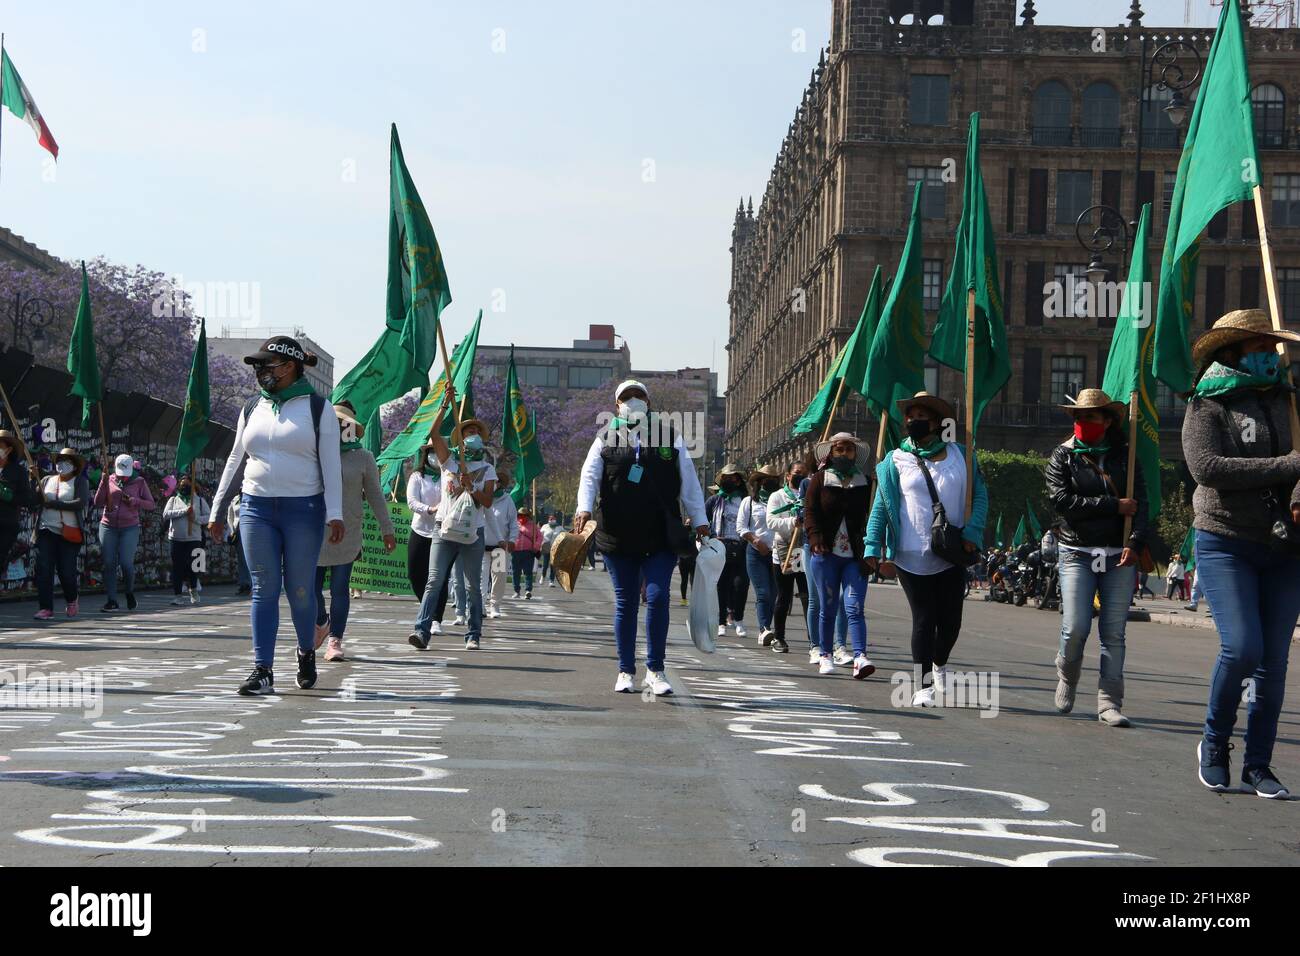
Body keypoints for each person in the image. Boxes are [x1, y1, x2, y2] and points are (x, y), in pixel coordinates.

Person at [1183, 309, 1300, 797]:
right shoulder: (1205, 406)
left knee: (1274, 661)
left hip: (1285, 547)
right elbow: (1208, 468)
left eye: (1274, 348)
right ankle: (1214, 743)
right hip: (1225, 541)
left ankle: (1259, 764)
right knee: (1243, 647)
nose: (1271, 356)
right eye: (1260, 348)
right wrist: (1286, 465)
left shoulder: (1289, 402)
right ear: (1232, 353)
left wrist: (1296, 495)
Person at [210, 335, 344, 696]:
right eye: (257, 367)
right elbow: (236, 458)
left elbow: (331, 465)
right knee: (263, 588)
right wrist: (218, 506)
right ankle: (262, 670)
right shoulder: (253, 406)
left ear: (289, 367)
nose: (260, 372)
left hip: (304, 509)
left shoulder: (318, 409)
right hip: (256, 507)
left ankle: (305, 650)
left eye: (266, 366)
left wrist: (335, 514)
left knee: (300, 590)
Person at [575, 379, 707, 695]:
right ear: (617, 403)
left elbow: (688, 482)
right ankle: (625, 670)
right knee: (627, 602)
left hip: (661, 534)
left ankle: (656, 670)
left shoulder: (670, 437)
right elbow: (590, 475)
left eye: (639, 396)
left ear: (648, 402)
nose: (633, 401)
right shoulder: (604, 437)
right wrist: (584, 508)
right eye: (627, 397)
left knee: (659, 597)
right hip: (618, 534)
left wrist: (700, 519)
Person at [866, 392, 988, 704]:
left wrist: (973, 531)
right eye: (910, 416)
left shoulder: (962, 455)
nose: (913, 421)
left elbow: (981, 497)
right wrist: (872, 544)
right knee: (923, 618)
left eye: (921, 417)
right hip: (910, 553)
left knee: (950, 622)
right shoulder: (894, 461)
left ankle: (940, 662)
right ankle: (923, 685)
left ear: (935, 422)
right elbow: (882, 506)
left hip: (951, 551)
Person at [1046, 388, 1149, 728]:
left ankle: (1109, 702)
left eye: (1089, 416)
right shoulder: (1062, 456)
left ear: (1107, 420)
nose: (1082, 422)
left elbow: (1142, 503)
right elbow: (1061, 501)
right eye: (1077, 417)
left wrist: (1134, 541)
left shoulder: (1126, 457)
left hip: (1117, 554)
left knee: (1114, 632)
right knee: (1075, 626)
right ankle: (1067, 673)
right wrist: (1111, 506)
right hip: (1077, 551)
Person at [408, 393, 496, 652]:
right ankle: (421, 631)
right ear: (460, 437)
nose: (472, 435)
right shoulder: (449, 461)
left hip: (473, 533)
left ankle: (473, 633)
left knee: (472, 586)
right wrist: (444, 405)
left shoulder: (488, 469)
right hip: (443, 529)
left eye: (475, 432)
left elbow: (487, 502)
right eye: (467, 431)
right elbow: (433, 434)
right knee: (434, 580)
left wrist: (471, 488)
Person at [316, 403, 395, 662]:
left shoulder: (363, 457)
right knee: (310, 587)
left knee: (340, 588)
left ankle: (335, 640)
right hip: (314, 529)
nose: (339, 427)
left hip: (347, 531)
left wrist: (387, 529)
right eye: (334, 422)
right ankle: (321, 620)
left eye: (343, 423)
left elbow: (375, 495)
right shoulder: (313, 452)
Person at [807, 431, 876, 679]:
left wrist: (874, 548)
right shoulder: (819, 479)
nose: (844, 453)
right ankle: (825, 654)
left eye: (848, 449)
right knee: (828, 606)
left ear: (855, 454)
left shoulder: (866, 482)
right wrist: (815, 539)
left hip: (855, 556)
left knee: (854, 606)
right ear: (831, 453)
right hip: (825, 554)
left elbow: (874, 515)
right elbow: (811, 513)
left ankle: (860, 656)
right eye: (839, 449)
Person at [92, 453, 156, 612]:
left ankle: (129, 591)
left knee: (126, 563)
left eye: (126, 475)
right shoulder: (109, 479)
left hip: (129, 527)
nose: (124, 478)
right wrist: (102, 481)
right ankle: (112, 600)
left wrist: (136, 502)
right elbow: (97, 502)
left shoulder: (139, 482)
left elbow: (151, 504)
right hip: (108, 526)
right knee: (109, 563)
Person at [34, 448, 90, 620]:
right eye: (59, 461)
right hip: (46, 529)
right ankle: (46, 608)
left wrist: (55, 504)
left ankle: (72, 599)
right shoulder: (47, 480)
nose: (61, 465)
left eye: (67, 461)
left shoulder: (79, 482)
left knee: (66, 571)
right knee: (44, 569)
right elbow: (37, 498)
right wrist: (34, 478)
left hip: (69, 533)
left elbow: (80, 503)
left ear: (74, 466)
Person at [765, 459, 810, 655]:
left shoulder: (809, 493)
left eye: (803, 472)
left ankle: (814, 640)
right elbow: (771, 522)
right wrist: (793, 521)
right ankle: (779, 637)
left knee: (808, 597)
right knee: (784, 596)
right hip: (785, 548)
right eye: (797, 472)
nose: (800, 476)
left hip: (805, 549)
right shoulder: (777, 496)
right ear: (788, 475)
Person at [406, 442, 450, 635]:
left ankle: (435, 618)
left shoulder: (449, 475)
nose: (435, 456)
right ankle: (427, 606)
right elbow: (412, 501)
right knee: (415, 574)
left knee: (439, 577)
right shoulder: (418, 476)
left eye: (437, 452)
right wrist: (429, 509)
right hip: (420, 531)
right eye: (432, 452)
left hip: (442, 533)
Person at [738, 463, 781, 646]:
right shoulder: (748, 502)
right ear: (758, 482)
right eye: (765, 479)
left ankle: (768, 627)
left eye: (772, 479)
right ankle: (764, 629)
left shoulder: (781, 500)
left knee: (774, 594)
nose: (768, 482)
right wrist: (755, 540)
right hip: (756, 553)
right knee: (763, 593)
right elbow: (741, 527)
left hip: (778, 553)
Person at [707, 462, 750, 638]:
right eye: (725, 478)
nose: (729, 480)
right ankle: (721, 622)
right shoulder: (715, 500)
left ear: (739, 481)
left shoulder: (746, 500)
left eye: (732, 477)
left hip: (741, 546)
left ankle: (738, 619)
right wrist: (711, 535)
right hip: (720, 546)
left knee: (740, 585)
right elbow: (702, 520)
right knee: (721, 585)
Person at [162, 476, 211, 605]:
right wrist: (184, 511)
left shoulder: (199, 501)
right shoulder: (173, 500)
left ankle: (193, 588)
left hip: (194, 538)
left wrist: (195, 518)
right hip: (176, 538)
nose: (184, 486)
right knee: (177, 567)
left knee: (193, 566)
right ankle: (177, 595)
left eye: (187, 484)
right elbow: (166, 514)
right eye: (182, 484)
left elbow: (208, 517)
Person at [0, 430, 37, 572]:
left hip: (6, 524)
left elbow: (28, 499)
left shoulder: (18, 471)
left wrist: (8, 496)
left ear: (8, 450)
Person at [484, 471, 517, 617]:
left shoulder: (507, 500)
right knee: (481, 579)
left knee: (498, 578)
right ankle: (479, 605)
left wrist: (512, 541)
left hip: (500, 548)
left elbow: (513, 524)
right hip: (481, 547)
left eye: (496, 481)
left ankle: (495, 606)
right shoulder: (481, 498)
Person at [513, 505, 543, 598]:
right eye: (520, 515)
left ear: (527, 516)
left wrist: (536, 546)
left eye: (524, 515)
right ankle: (516, 591)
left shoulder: (533, 525)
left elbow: (540, 537)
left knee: (528, 572)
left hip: (528, 552)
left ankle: (528, 590)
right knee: (516, 572)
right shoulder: (514, 524)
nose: (522, 517)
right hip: (515, 551)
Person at [228, 493, 252, 595]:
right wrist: (231, 530)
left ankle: (251, 584)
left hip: (250, 530)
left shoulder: (251, 496)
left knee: (249, 559)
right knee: (241, 559)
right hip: (237, 531)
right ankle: (243, 584)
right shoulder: (235, 499)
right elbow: (230, 517)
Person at [540, 513, 560, 587]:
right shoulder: (545, 526)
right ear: (548, 520)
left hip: (555, 548)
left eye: (553, 518)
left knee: (553, 565)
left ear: (555, 519)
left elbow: (564, 535)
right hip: (546, 547)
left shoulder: (559, 527)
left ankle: (551, 580)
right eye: (550, 519)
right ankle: (543, 576)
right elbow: (539, 535)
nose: (552, 520)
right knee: (545, 564)